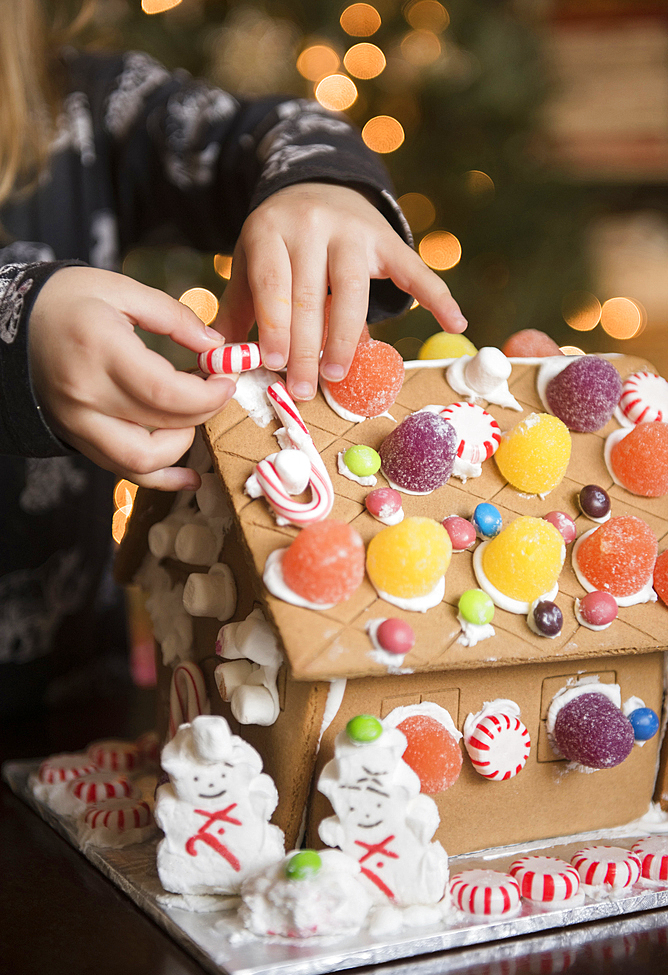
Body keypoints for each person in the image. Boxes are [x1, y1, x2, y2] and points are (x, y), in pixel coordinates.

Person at [0, 0, 466, 713]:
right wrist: (16, 332)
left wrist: (319, 184)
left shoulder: (91, 105)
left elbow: (272, 132)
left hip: (76, 706)